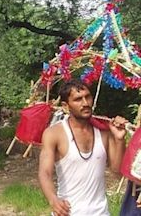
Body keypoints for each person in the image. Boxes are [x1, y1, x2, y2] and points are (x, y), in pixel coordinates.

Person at [38, 79, 127, 216]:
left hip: (101, 212)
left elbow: (117, 172)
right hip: (68, 212)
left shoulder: (104, 132)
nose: (85, 103)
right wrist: (53, 200)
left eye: (88, 97)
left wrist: (119, 139)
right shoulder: (54, 133)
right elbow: (45, 172)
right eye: (78, 99)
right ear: (65, 105)